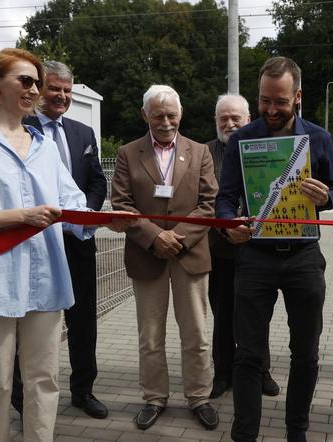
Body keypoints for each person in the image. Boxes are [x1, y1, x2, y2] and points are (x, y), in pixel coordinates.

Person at [0, 48, 128, 442]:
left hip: (45, 280)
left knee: (44, 381)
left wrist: (105, 217)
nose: (34, 89)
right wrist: (22, 216)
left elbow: (72, 203)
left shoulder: (45, 147)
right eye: (25, 80)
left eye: (36, 82)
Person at [216, 56, 333, 442]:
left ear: (297, 96)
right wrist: (230, 224)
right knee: (248, 354)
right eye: (265, 100)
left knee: (306, 352)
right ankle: (244, 434)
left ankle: (296, 430)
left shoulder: (318, 139)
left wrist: (326, 197)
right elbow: (225, 199)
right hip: (255, 258)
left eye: (280, 101)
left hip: (303, 256)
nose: (271, 110)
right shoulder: (242, 139)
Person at [110, 84, 220, 432]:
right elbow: (122, 205)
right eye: (158, 115)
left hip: (190, 255)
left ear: (181, 114)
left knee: (197, 334)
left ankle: (199, 396)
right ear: (145, 115)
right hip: (148, 256)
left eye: (172, 114)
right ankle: (154, 397)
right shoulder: (128, 153)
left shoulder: (200, 151)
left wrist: (179, 238)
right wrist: (156, 237)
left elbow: (208, 203)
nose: (166, 121)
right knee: (151, 336)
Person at [11, 60, 108, 419]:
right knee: (31, 321)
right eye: (54, 89)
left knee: (83, 321)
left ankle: (83, 391)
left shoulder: (83, 133)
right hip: (35, 244)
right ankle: (23, 402)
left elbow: (97, 181)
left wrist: (85, 214)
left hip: (78, 243)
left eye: (67, 91)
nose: (61, 97)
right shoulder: (21, 128)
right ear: (39, 91)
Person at [206, 93, 279, 399]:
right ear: (216, 122)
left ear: (248, 119)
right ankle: (222, 374)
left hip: (260, 249)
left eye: (236, 117)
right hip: (220, 248)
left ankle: (260, 370)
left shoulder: (264, 147)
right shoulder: (203, 153)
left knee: (258, 315)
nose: (230, 123)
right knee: (223, 314)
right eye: (223, 118)